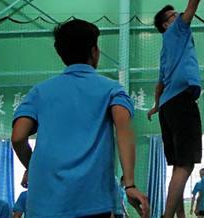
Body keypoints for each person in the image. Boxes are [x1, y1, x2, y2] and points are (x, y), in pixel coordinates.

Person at [12, 19, 149, 218]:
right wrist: (130, 185)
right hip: (92, 203)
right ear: (94, 51)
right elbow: (124, 131)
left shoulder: (39, 92)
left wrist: (31, 167)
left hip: (43, 203)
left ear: (62, 55)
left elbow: (18, 137)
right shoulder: (112, 89)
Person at [146, 0, 204, 218]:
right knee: (185, 165)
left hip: (168, 107)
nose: (179, 14)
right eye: (173, 14)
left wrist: (156, 106)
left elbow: (159, 84)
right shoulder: (177, 30)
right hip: (181, 103)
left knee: (178, 167)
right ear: (166, 24)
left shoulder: (164, 48)